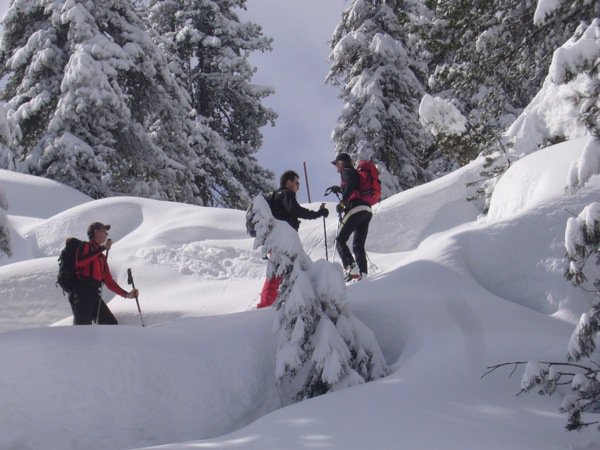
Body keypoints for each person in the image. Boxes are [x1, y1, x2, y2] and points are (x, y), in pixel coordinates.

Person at [257, 170, 329, 308]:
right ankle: (267, 305)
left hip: (275, 240)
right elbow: (298, 211)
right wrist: (318, 213)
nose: (298, 186)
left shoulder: (273, 197)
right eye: (297, 183)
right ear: (289, 182)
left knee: (279, 273)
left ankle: (271, 303)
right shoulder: (286, 194)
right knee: (291, 271)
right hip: (284, 241)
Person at [68, 222, 139, 325]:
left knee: (111, 325)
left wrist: (127, 295)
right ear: (95, 232)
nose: (106, 235)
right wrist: (103, 248)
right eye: (104, 231)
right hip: (81, 294)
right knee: (82, 331)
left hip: (94, 296)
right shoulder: (85, 246)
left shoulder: (101, 257)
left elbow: (109, 281)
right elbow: (80, 261)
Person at [329, 153, 372, 282]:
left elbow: (350, 184)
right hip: (367, 210)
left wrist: (343, 202)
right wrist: (340, 189)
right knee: (358, 246)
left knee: (340, 240)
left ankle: (351, 267)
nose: (336, 168)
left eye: (336, 164)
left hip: (355, 209)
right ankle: (363, 275)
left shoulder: (346, 171)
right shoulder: (354, 173)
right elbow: (354, 186)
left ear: (341, 163)